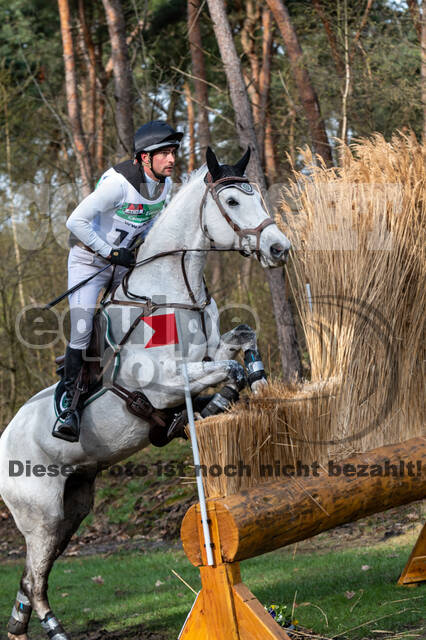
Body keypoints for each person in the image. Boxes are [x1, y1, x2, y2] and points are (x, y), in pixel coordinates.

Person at [52, 120, 183, 443]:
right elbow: (75, 221)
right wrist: (109, 252)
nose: (172, 160)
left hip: (123, 261)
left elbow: (150, 226)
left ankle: (167, 378)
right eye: (164, 154)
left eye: (173, 152)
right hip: (89, 260)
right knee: (82, 327)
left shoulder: (165, 186)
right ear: (143, 158)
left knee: (157, 309)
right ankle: (70, 405)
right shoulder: (118, 184)